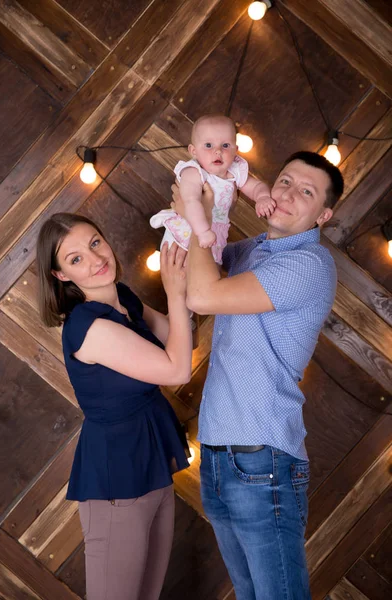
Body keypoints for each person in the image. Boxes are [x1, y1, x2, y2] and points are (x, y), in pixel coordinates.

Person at [172, 151, 344, 600]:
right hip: (217, 454)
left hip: (261, 460)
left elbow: (203, 295)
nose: (287, 194)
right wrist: (199, 206)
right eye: (284, 181)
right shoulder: (250, 251)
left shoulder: (309, 264)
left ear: (323, 214)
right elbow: (190, 272)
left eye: (306, 192)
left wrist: (198, 213)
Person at [36, 213, 192, 600]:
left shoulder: (122, 297)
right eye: (74, 259)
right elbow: (178, 369)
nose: (94, 259)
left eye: (94, 243)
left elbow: (177, 334)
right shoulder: (89, 327)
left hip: (151, 460)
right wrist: (174, 291)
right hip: (115, 476)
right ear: (60, 276)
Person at [150, 114, 275, 264]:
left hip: (215, 235)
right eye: (208, 145)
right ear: (194, 151)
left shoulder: (235, 171)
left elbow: (256, 186)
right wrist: (202, 231)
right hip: (188, 231)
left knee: (207, 275)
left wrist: (262, 197)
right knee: (182, 268)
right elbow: (191, 201)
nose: (218, 151)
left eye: (225, 145)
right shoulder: (194, 172)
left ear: (236, 149)